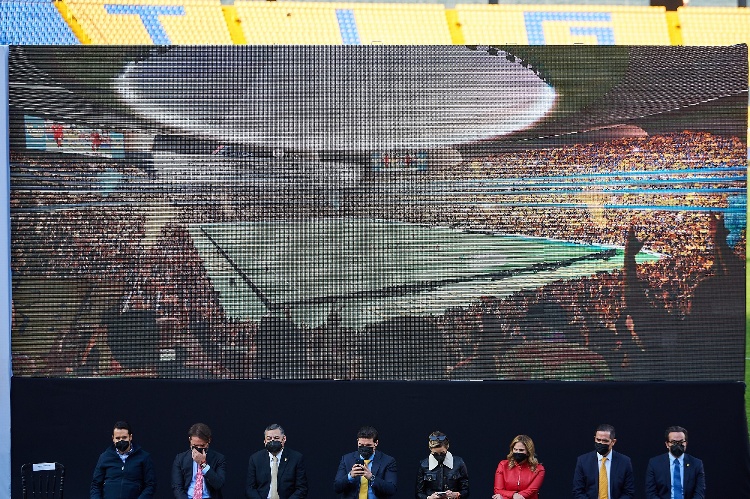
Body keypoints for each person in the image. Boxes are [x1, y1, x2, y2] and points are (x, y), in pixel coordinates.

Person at [90, 421, 156, 499]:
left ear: (130, 437)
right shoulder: (105, 457)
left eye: (124, 437)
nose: (121, 441)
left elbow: (150, 485)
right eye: (118, 438)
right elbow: (95, 485)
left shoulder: (144, 457)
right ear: (113, 439)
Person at [246, 424, 308, 499]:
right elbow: (250, 488)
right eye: (269, 438)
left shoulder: (296, 458)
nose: (272, 441)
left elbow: (301, 489)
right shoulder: (255, 459)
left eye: (276, 438)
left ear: (284, 439)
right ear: (264, 441)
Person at [334, 426, 397, 499]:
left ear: (376, 443)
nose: (364, 448)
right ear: (357, 441)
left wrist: (371, 477)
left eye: (368, 445)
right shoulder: (347, 459)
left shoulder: (387, 461)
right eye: (361, 445)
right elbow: (337, 487)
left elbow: (391, 489)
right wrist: (350, 476)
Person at [573, 424, 634, 499]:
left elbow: (628, 492)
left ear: (613, 442)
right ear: (594, 438)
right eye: (598, 440)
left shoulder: (624, 462)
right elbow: (578, 491)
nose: (601, 443)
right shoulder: (583, 461)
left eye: (605, 441)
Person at [645, 426, 705, 499]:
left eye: (681, 442)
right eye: (673, 442)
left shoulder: (696, 464)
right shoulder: (655, 463)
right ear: (667, 444)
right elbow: (651, 493)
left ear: (686, 443)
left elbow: (699, 493)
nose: (677, 445)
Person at [172, 423, 227, 499]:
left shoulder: (219, 458)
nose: (198, 449)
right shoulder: (180, 459)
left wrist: (203, 464)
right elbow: (177, 487)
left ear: (209, 440)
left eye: (202, 446)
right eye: (194, 446)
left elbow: (218, 484)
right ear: (190, 440)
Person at [416, 431, 469, 499]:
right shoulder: (424, 465)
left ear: (447, 447)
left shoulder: (459, 463)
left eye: (442, 453)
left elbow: (466, 490)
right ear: (430, 449)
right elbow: (418, 493)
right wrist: (429, 498)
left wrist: (456, 494)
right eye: (435, 453)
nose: (439, 456)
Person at [492, 434, 544, 499]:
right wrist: (513, 495)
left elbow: (530, 491)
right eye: (515, 449)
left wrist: (506, 497)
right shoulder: (503, 465)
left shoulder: (539, 469)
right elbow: (498, 490)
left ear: (528, 452)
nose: (517, 452)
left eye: (521, 450)